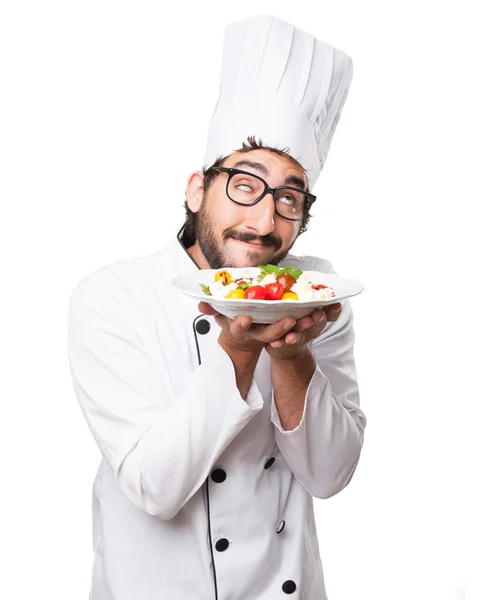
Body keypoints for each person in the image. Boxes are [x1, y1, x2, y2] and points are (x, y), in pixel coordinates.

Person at [67, 14, 367, 600]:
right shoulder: (113, 298)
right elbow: (155, 487)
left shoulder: (316, 297)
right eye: (245, 184)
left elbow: (330, 476)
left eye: (289, 197)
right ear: (196, 189)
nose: (263, 221)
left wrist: (294, 358)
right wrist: (237, 345)